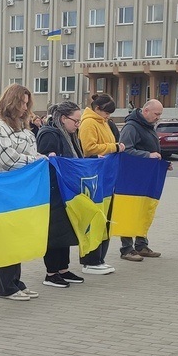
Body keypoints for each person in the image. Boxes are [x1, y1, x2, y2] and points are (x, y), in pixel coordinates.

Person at [0, 84, 42, 301]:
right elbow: (6, 159)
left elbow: (28, 152)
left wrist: (32, 158)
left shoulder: (22, 125)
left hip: (20, 188)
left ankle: (16, 281)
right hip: (3, 188)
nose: (24, 107)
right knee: (7, 238)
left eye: (27, 103)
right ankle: (6, 286)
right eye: (21, 102)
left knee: (18, 237)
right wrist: (34, 160)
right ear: (11, 101)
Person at [36, 101, 87, 288]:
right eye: (76, 120)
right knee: (54, 232)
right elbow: (45, 162)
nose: (78, 124)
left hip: (66, 189)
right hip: (53, 190)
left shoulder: (68, 134)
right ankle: (51, 272)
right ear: (63, 118)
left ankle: (63, 269)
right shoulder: (49, 134)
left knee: (66, 230)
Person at [117, 99, 169, 262]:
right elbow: (125, 150)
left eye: (160, 114)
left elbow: (150, 149)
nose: (158, 118)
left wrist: (161, 163)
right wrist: (148, 156)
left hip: (145, 177)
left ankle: (141, 245)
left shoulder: (147, 125)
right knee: (129, 211)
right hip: (131, 178)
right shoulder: (131, 127)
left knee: (143, 210)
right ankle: (127, 248)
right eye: (156, 114)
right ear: (146, 111)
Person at [77, 94, 123, 275]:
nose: (108, 117)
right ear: (97, 109)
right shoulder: (89, 123)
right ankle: (90, 259)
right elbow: (89, 148)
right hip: (95, 176)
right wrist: (114, 147)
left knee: (105, 218)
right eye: (106, 113)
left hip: (107, 176)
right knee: (95, 218)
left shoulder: (103, 122)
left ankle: (100, 258)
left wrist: (114, 146)